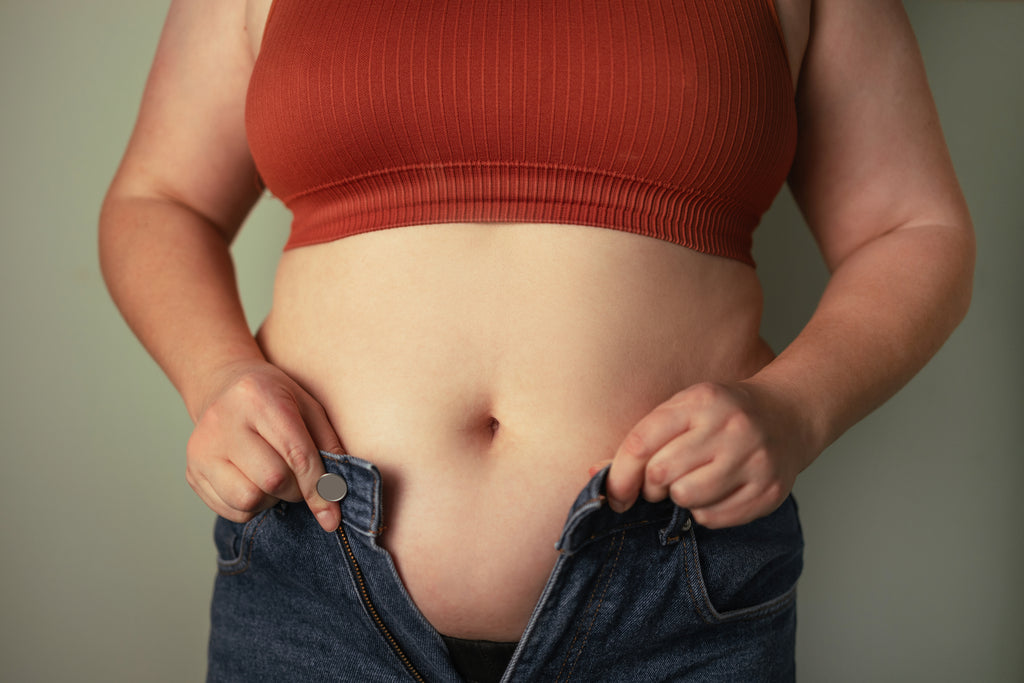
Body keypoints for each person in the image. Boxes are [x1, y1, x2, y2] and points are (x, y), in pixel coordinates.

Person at [99, 0, 974, 680]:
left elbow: (912, 228)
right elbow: (159, 200)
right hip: (316, 581)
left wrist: (796, 407)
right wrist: (216, 376)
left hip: (673, 599)